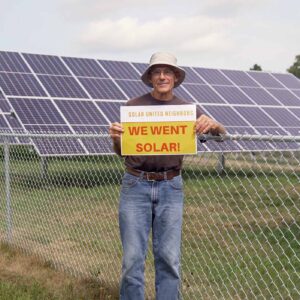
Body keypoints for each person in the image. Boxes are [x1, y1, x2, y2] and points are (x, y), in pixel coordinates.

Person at [109, 52, 226, 300]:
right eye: (157, 72)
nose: (162, 76)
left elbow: (221, 136)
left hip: (171, 186)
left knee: (169, 260)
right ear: (150, 78)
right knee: (132, 261)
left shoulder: (187, 110)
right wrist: (116, 140)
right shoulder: (133, 107)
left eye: (167, 72)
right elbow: (122, 152)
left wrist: (213, 124)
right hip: (135, 185)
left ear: (175, 77)